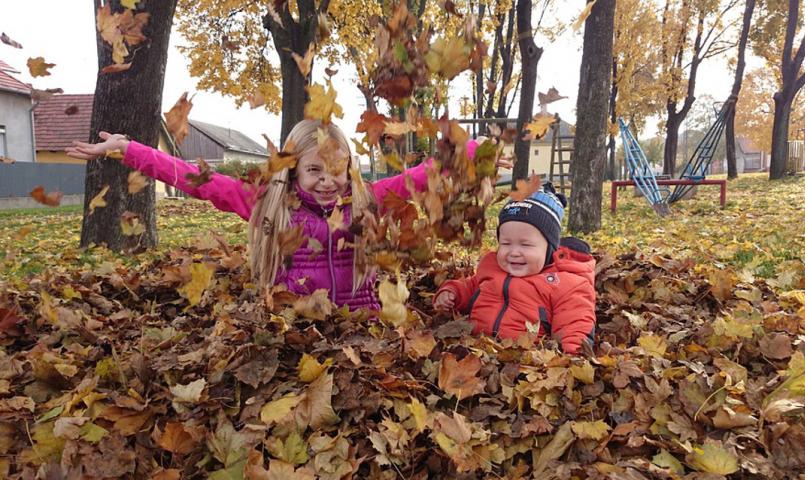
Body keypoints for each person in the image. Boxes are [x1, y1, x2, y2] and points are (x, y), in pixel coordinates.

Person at [67, 119, 480, 311]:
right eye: (314, 170)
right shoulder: (270, 203)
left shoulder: (365, 199)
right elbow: (198, 179)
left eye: (336, 170)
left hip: (360, 326)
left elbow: (420, 177)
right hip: (294, 327)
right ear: (294, 169)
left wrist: (475, 151)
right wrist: (129, 149)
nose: (327, 180)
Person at [433, 184, 596, 354]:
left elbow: (575, 321)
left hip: (526, 360)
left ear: (550, 248)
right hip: (477, 350)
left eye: (526, 245)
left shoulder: (564, 283)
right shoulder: (492, 267)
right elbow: (471, 286)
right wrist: (452, 292)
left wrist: (574, 355)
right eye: (506, 243)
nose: (514, 252)